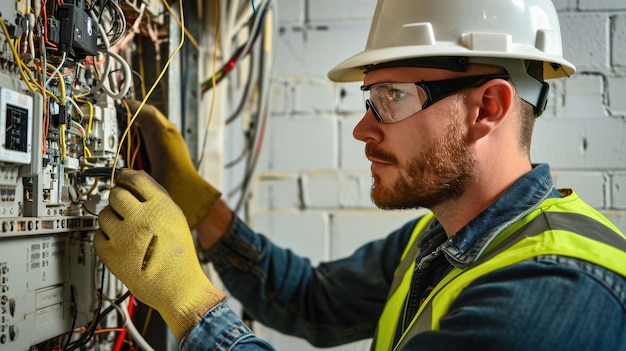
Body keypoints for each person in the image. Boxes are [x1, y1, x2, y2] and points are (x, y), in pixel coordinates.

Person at [93, 0, 626, 350]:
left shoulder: (554, 289)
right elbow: (313, 300)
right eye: (370, 98)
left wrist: (190, 305)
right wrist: (199, 203)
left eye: (392, 97)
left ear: (487, 107)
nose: (362, 130)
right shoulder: (444, 236)